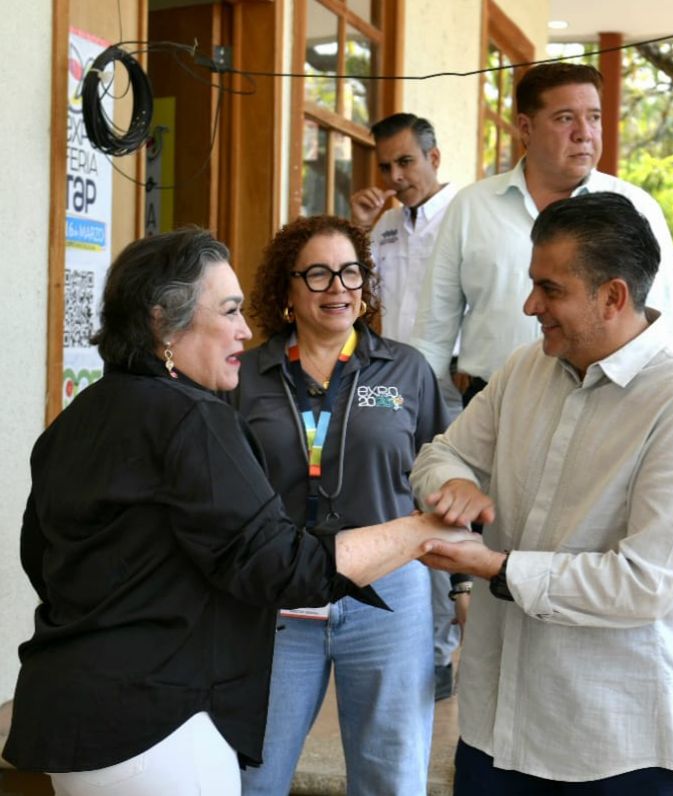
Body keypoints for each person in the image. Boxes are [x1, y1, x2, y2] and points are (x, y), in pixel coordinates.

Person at [1, 229, 470, 796]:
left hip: (72, 718)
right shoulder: (196, 416)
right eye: (228, 311)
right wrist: (422, 530)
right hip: (160, 729)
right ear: (163, 324)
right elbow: (283, 567)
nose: (244, 331)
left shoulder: (77, 418)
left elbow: (41, 559)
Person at [411, 192, 673, 795]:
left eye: (550, 289)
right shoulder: (523, 369)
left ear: (612, 296)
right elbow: (439, 454)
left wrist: (497, 568)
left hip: (615, 738)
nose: (530, 305)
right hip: (495, 721)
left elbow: (645, 583)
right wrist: (454, 485)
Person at [233, 216, 450, 796]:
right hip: (278, 593)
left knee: (391, 776)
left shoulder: (406, 369)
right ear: (287, 287)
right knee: (255, 774)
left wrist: (459, 587)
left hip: (389, 591)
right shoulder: (246, 376)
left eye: (351, 272)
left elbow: (439, 474)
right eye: (319, 274)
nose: (338, 288)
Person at [410, 62, 673, 406]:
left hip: (607, 405)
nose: (584, 133)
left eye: (594, 117)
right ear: (526, 128)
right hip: (493, 403)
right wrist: (430, 414)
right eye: (565, 118)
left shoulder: (636, 207)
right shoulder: (472, 206)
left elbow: (667, 325)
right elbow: (434, 330)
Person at [351, 112, 467, 700]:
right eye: (386, 166)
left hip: (447, 385)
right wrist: (360, 229)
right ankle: (393, 638)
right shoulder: (386, 226)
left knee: (441, 509)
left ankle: (440, 653)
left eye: (406, 162)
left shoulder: (464, 215)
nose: (396, 177)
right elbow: (355, 290)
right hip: (388, 384)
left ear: (434, 158)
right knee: (392, 507)